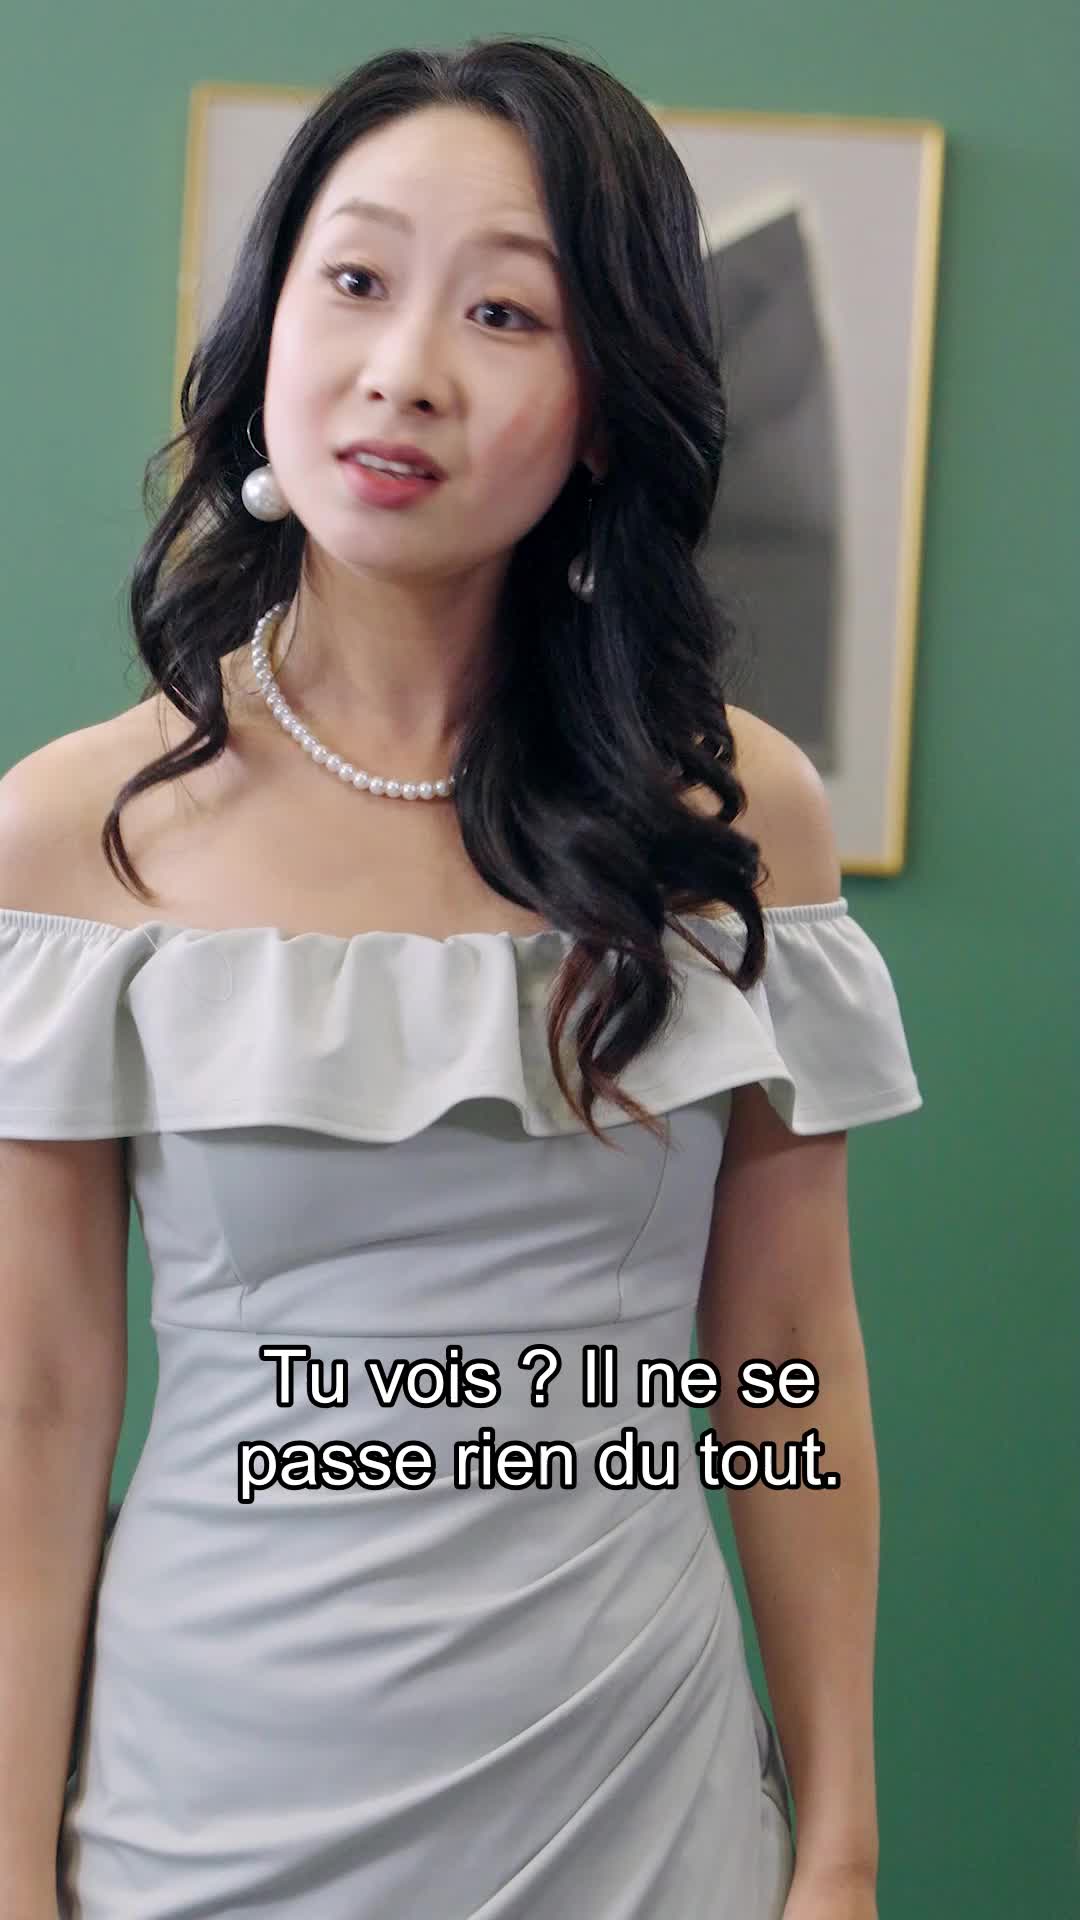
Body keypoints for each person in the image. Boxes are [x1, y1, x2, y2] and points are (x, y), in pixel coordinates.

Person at [0, 36, 923, 1920]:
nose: (406, 366)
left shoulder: (737, 819)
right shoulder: (70, 835)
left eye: (505, 311)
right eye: (354, 279)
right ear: (268, 326)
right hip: (211, 1814)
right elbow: (36, 1407)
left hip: (642, 1810)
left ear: (603, 413)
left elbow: (785, 1363)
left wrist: (838, 1841)